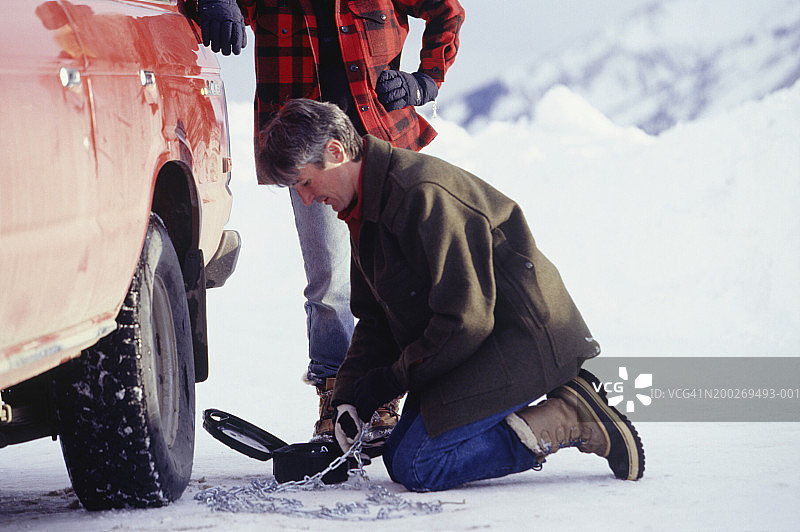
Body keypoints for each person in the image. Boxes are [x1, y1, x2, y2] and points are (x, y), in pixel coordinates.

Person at [255, 98, 645, 491]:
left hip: (520, 340)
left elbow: (466, 320)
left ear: (335, 152)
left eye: (304, 182)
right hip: (468, 345)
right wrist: (350, 397)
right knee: (397, 454)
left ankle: (570, 415)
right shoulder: (364, 209)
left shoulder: (420, 194)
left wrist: (390, 381)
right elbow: (376, 319)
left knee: (418, 463)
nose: (306, 199)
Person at [195, 0, 465, 445]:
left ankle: (385, 394)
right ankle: (337, 395)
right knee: (329, 283)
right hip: (308, 156)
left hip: (378, 138)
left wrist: (424, 82)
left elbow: (448, 10)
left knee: (395, 274)